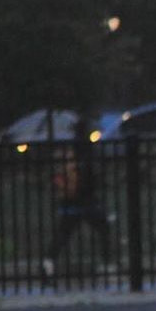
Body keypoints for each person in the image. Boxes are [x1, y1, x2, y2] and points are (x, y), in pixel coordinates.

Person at [43, 113, 113, 280]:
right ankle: (108, 262)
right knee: (101, 227)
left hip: (74, 198)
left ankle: (49, 261)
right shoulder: (86, 149)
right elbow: (92, 173)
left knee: (65, 231)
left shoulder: (72, 148)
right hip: (85, 197)